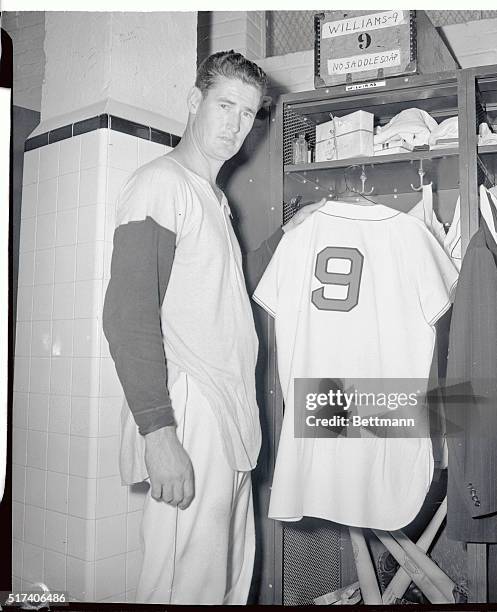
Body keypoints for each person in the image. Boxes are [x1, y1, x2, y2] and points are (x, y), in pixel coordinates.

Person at [102, 50, 323, 605]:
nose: (236, 125)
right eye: (225, 105)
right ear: (194, 101)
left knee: (225, 580)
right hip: (189, 411)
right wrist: (160, 435)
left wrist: (290, 235)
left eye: (248, 114)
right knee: (185, 585)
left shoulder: (212, 198)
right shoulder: (161, 183)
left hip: (227, 416)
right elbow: (127, 316)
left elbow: (220, 293)